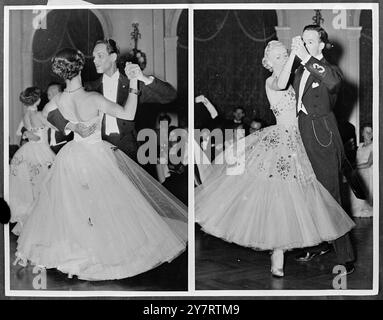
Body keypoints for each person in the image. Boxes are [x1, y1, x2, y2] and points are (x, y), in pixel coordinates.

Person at [14, 48, 187, 281]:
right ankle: (100, 249)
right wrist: (135, 85)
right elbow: (128, 113)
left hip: (72, 155)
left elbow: (44, 117)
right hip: (96, 153)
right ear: (80, 68)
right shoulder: (93, 98)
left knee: (78, 206)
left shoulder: (57, 99)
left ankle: (80, 247)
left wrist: (70, 127)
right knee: (104, 206)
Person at [195, 40, 355, 277]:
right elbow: (281, 84)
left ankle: (311, 244)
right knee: (280, 197)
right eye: (278, 57)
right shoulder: (272, 81)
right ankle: (278, 252)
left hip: (302, 141)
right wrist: (294, 54)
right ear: (268, 63)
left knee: (303, 197)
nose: (282, 58)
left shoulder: (293, 80)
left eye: (284, 55)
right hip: (281, 141)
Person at [47, 38, 177, 162]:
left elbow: (170, 95)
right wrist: (73, 127)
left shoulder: (133, 82)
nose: (94, 60)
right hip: (99, 153)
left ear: (113, 57)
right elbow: (51, 113)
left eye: (100, 55)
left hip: (129, 150)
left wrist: (145, 78)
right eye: (93, 57)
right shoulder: (88, 88)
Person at [292, 25, 355, 274]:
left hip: (322, 135)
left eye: (310, 41)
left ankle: (346, 255)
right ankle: (317, 244)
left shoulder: (329, 70)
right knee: (307, 193)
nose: (305, 44)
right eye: (303, 40)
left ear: (321, 45)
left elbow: (331, 82)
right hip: (302, 133)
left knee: (330, 195)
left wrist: (307, 58)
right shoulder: (299, 69)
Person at [9, 87, 56, 233]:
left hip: (27, 151)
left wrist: (29, 134)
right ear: (39, 100)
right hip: (40, 151)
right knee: (43, 188)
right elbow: (54, 127)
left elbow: (24, 132)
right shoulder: (40, 115)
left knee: (33, 188)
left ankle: (32, 224)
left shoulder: (25, 116)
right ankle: (41, 225)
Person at [350, 124, 373, 217]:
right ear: (362, 133)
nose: (370, 134)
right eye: (367, 132)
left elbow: (368, 163)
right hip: (358, 172)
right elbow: (356, 160)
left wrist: (355, 167)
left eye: (371, 132)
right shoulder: (360, 146)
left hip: (367, 172)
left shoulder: (373, 146)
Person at [45, 82, 74, 154]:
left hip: (63, 148)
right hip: (49, 148)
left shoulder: (67, 110)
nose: (51, 97)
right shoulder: (46, 110)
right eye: (49, 94)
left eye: (54, 93)